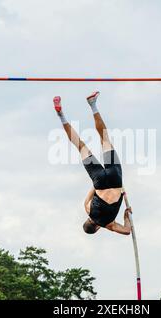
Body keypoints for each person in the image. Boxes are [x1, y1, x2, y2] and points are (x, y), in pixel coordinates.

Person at [53, 92, 132, 235]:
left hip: (115, 180)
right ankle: (62, 115)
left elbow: (127, 231)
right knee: (81, 145)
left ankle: (93, 104)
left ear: (97, 228)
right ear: (87, 220)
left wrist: (126, 215)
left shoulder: (109, 224)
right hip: (99, 181)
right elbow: (93, 189)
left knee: (105, 139)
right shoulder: (87, 208)